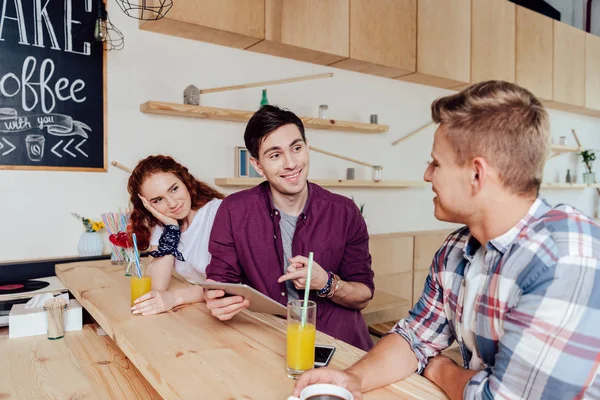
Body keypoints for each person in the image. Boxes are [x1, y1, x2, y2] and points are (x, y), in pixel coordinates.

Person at [292, 81, 600, 400]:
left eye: (436, 163)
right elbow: (415, 338)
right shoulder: (455, 250)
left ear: (477, 175)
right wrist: (350, 379)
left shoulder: (568, 256)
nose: (427, 174)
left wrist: (439, 369)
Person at [204, 105, 375, 351]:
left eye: (296, 148)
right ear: (258, 165)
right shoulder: (233, 211)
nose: (291, 163)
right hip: (267, 343)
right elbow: (221, 283)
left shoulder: (345, 212)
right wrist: (218, 301)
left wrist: (326, 283)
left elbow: (364, 295)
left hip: (341, 346)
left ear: (307, 147)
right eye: (275, 155)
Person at [127, 155, 224, 315]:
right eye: (158, 200)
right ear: (147, 206)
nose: (172, 204)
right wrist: (171, 228)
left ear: (185, 181)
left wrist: (175, 298)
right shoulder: (166, 223)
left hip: (244, 312)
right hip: (204, 310)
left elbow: (227, 284)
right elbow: (157, 287)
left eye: (174, 189)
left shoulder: (219, 212)